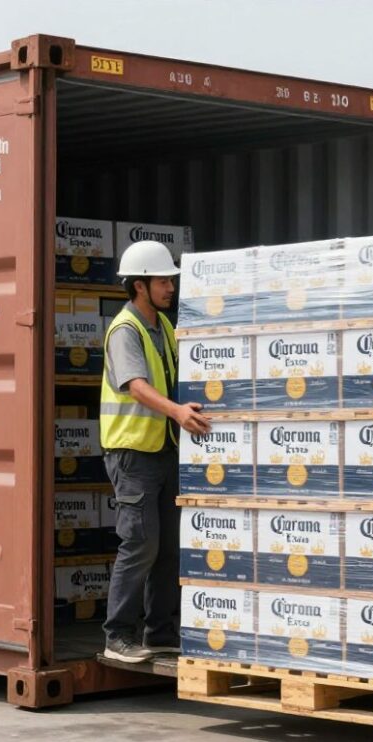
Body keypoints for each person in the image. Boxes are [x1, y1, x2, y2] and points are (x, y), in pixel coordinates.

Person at [100, 240, 212, 663]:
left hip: (163, 449)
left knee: (167, 546)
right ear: (139, 285)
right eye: (163, 280)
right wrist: (177, 412)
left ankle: (160, 631)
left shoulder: (164, 326)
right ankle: (117, 636)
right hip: (132, 454)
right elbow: (136, 386)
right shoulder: (125, 330)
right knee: (140, 544)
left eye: (170, 280)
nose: (170, 287)